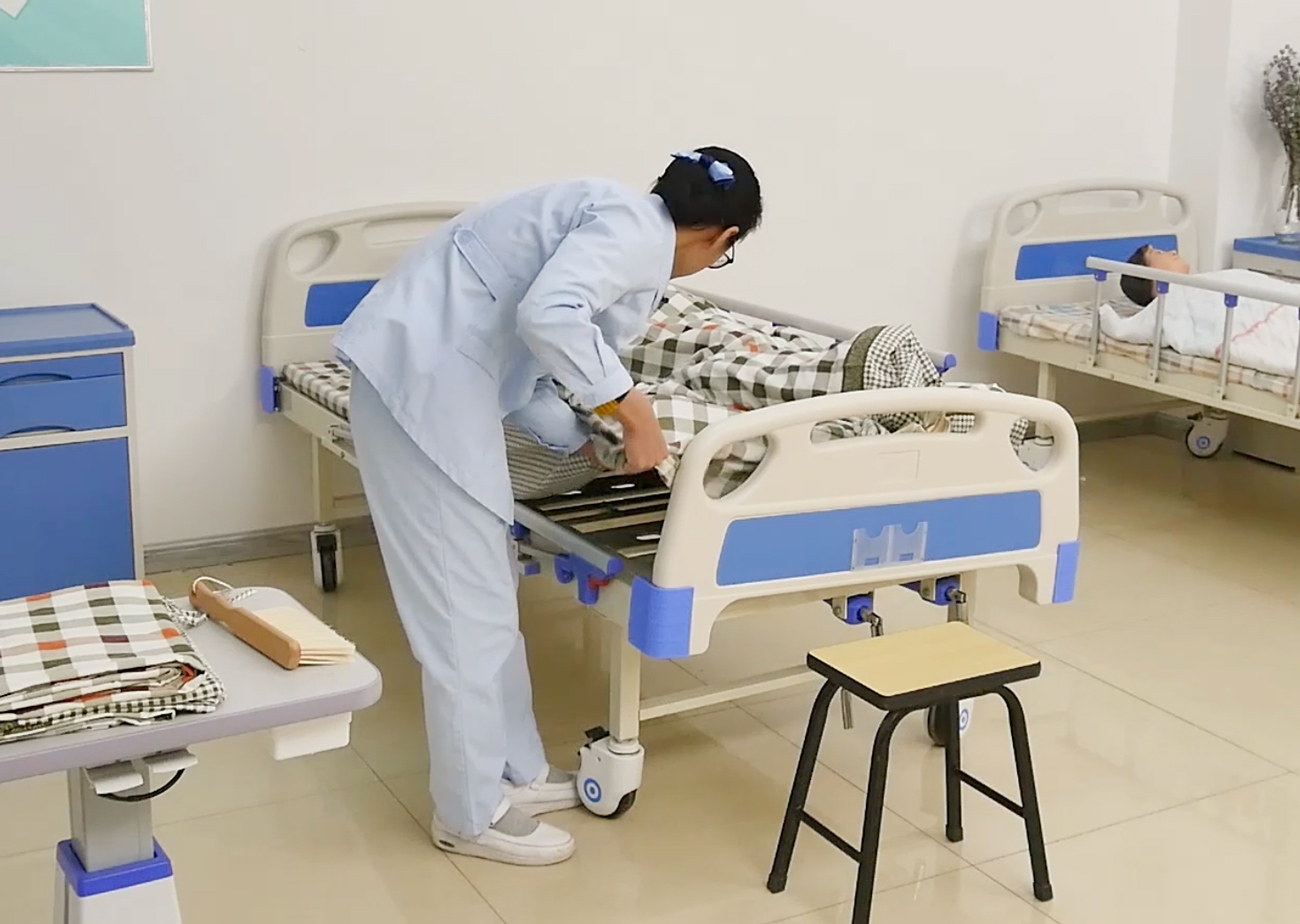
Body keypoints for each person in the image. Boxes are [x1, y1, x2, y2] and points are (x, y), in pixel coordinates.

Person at [333, 148, 763, 867]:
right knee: (463, 612)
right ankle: (468, 814)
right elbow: (549, 316)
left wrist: (582, 438)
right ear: (721, 237)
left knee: (488, 596)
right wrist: (635, 413)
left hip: (447, 389)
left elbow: (533, 368)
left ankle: (516, 772)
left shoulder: (617, 223)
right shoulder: (634, 233)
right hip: (421, 395)